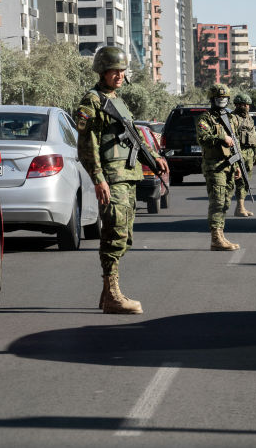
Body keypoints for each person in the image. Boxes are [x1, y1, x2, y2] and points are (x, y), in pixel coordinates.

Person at [75, 46, 168, 314]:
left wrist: (153, 157)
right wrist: (98, 178)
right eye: (114, 70)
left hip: (127, 176)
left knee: (125, 236)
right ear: (102, 71)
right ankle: (113, 294)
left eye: (122, 70)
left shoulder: (118, 101)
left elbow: (135, 137)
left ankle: (107, 294)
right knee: (114, 232)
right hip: (111, 177)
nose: (119, 74)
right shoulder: (92, 101)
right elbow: (87, 145)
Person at [197, 84, 243, 251]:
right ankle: (216, 238)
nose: (222, 101)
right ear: (212, 100)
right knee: (217, 201)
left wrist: (237, 164)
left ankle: (221, 235)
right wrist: (222, 137)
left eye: (224, 99)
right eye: (218, 98)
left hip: (229, 165)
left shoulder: (230, 118)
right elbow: (203, 138)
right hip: (214, 165)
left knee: (225, 202)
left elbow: (234, 144)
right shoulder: (206, 118)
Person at [232, 93, 256, 217]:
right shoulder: (233, 118)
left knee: (246, 181)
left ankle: (240, 207)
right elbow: (233, 139)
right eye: (244, 104)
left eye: (248, 105)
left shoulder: (249, 118)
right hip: (239, 152)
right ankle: (238, 207)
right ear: (237, 105)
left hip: (249, 153)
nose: (247, 107)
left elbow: (254, 136)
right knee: (238, 181)